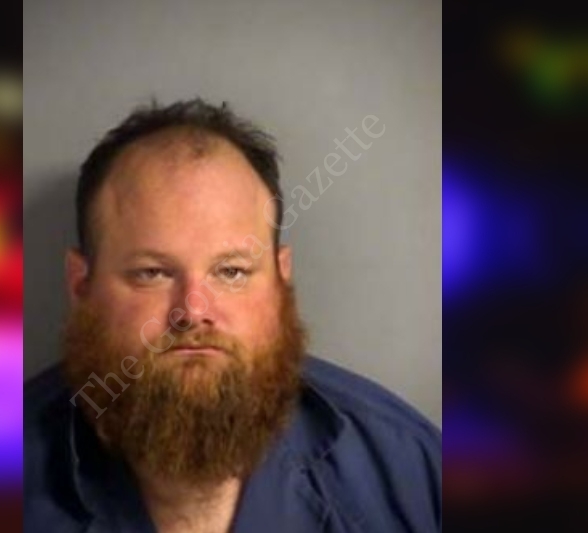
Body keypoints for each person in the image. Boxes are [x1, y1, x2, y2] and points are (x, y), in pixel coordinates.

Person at [24, 99, 441, 532]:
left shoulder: (413, 475)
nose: (193, 311)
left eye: (231, 272)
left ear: (280, 280)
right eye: (152, 273)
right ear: (81, 285)